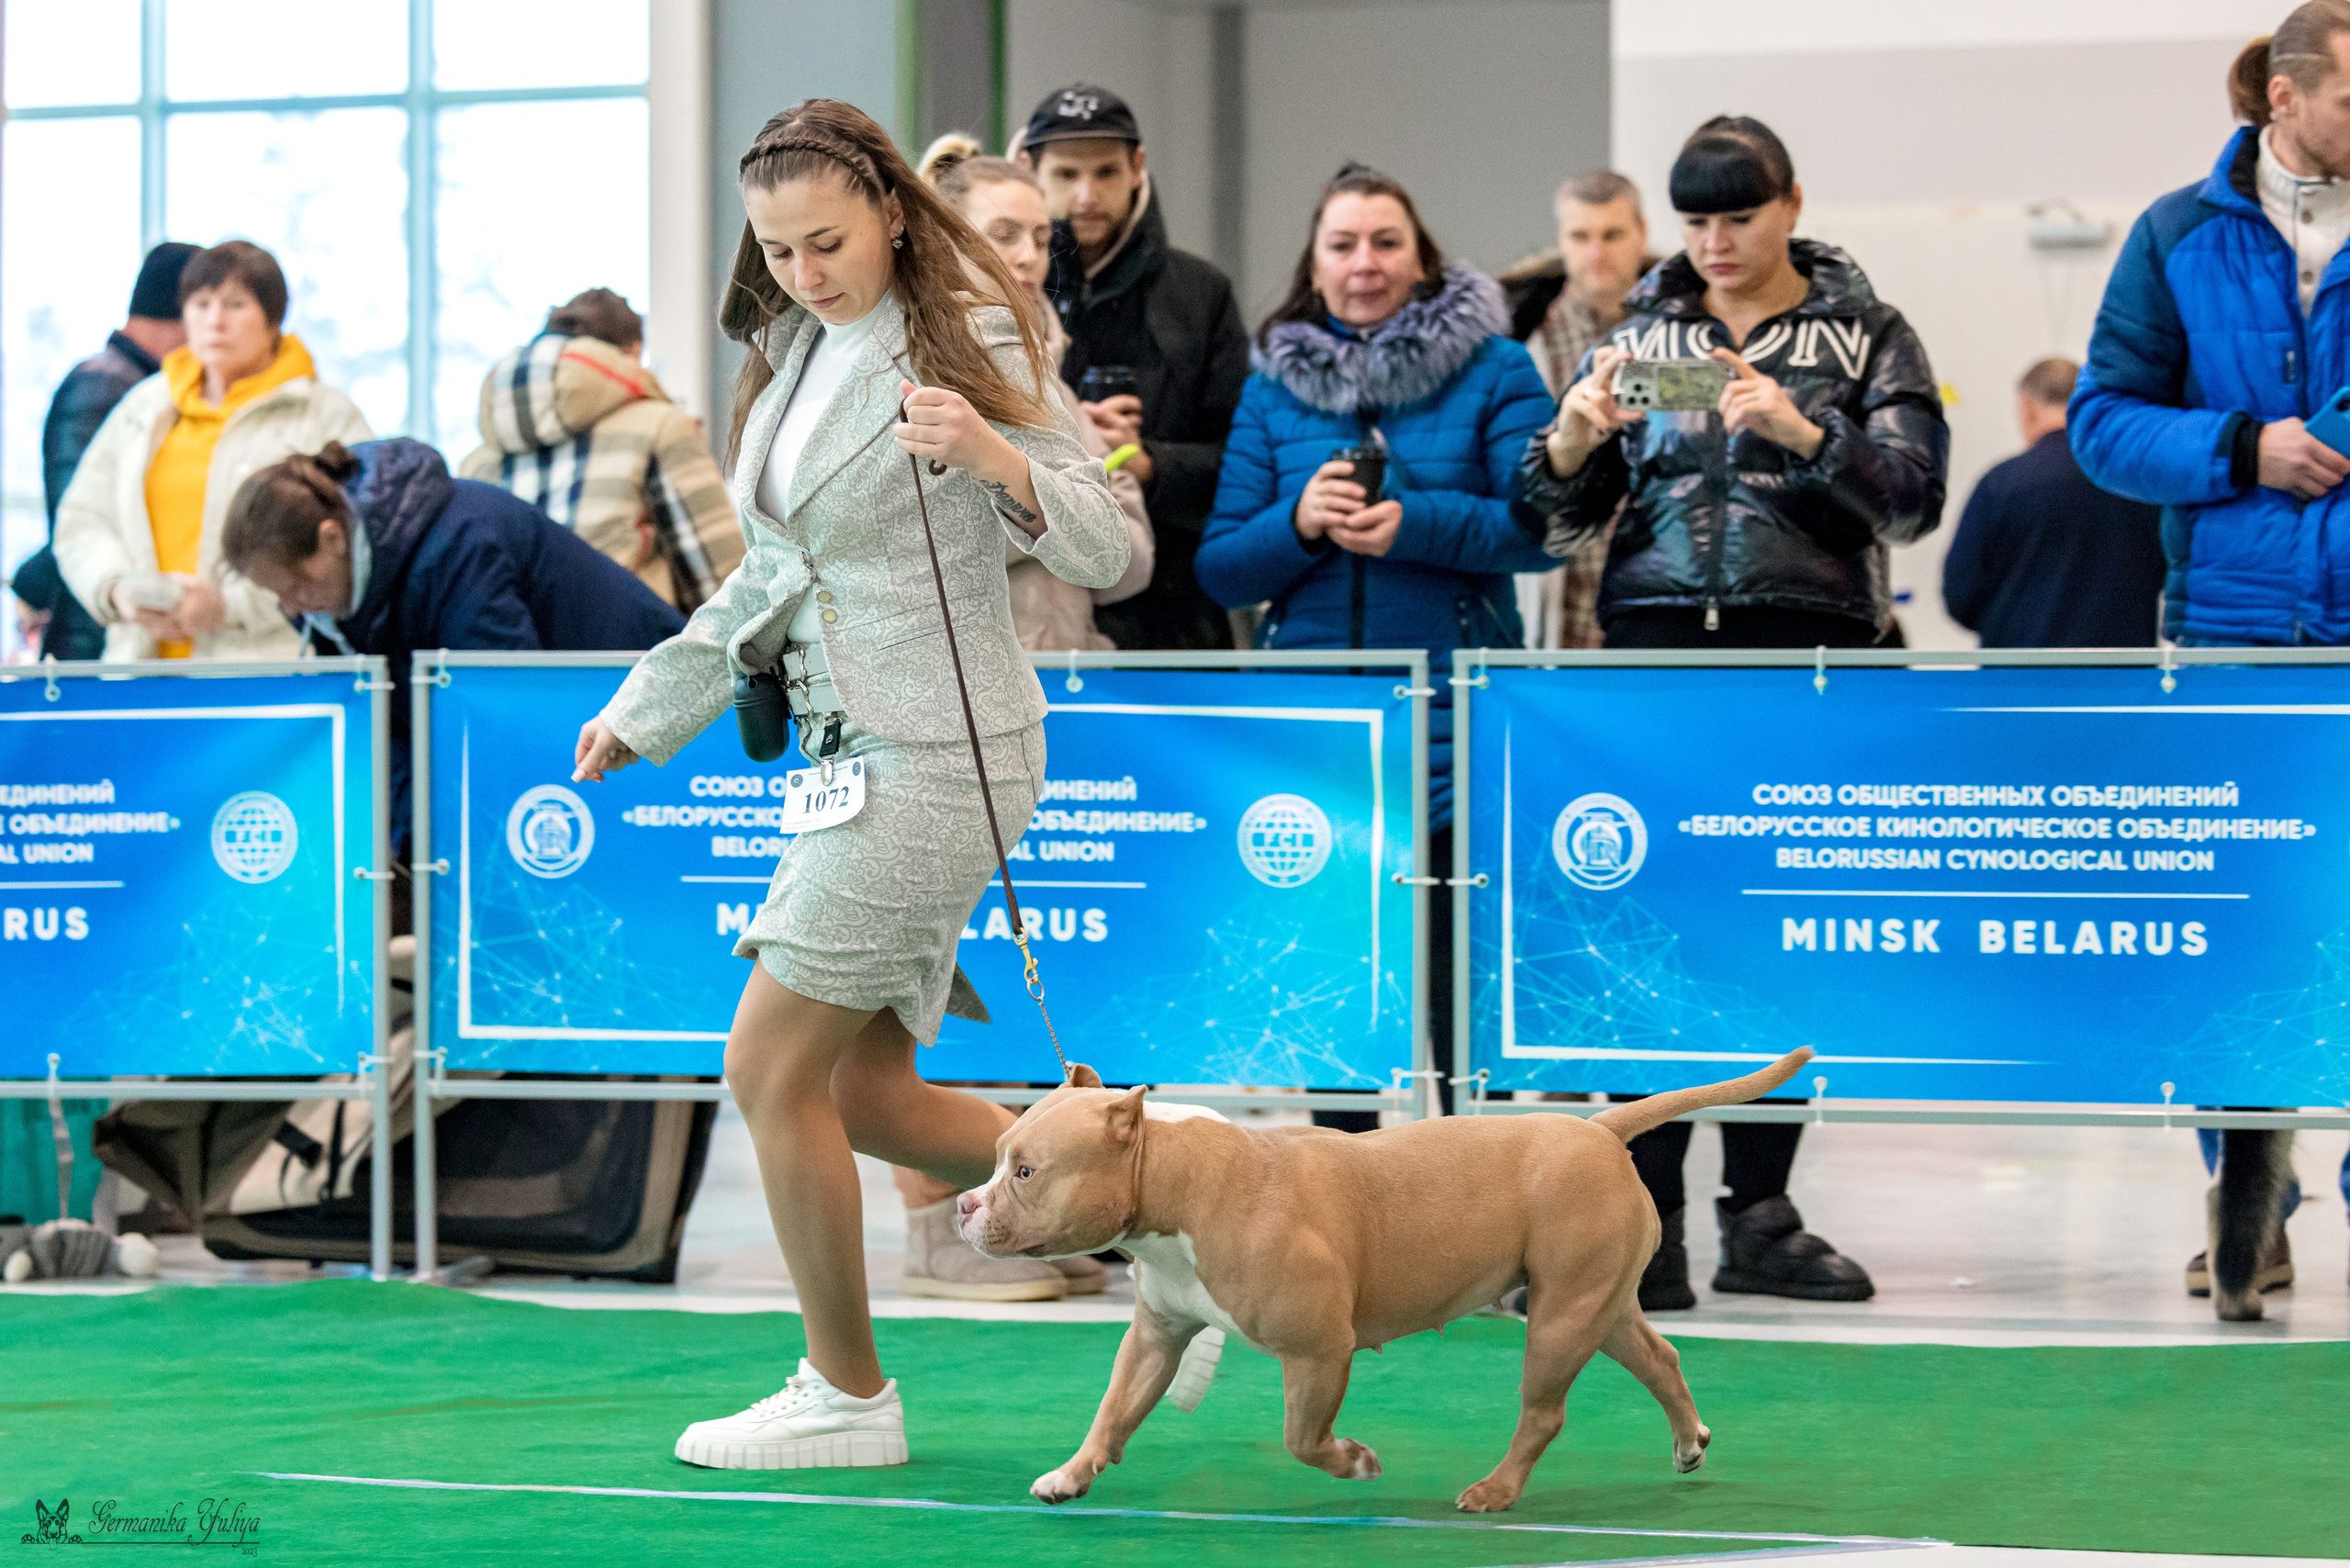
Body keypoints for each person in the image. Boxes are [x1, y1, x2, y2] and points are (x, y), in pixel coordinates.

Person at [569, 99, 1127, 1468]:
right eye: (779, 250)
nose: (805, 271)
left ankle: (847, 1394)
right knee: (868, 1098)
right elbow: (770, 574)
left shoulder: (977, 335)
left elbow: (1107, 545)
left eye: (826, 242)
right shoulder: (793, 357)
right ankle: (1175, 1219)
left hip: (942, 752)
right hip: (847, 758)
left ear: (887, 208)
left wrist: (993, 456)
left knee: (765, 1070)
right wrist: (652, 706)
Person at [1516, 116, 1949, 1309]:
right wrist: (1571, 440)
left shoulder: (1868, 335)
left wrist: (1806, 433)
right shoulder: (1638, 336)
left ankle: (1760, 1211)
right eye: (1697, 221)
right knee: (1644, 938)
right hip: (1653, 665)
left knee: (1781, 937)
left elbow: (1915, 502)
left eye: (1739, 218)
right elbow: (1551, 523)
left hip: (1810, 660)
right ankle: (1643, 1223)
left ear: (1790, 206)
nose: (1715, 242)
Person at [2069, 3, 2350, 1314]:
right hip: (2230, 645)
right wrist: (2246, 449)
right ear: (2285, 97)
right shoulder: (2174, 233)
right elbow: (2102, 424)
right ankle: (2251, 1214)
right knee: (2239, 938)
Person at [1194, 161, 1556, 1132]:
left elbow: (1541, 530)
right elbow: (1221, 569)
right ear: (1313, 267)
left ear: (1422, 259)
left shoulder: (1498, 370)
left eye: (1386, 242)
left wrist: (1415, 523)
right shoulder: (1270, 393)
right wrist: (1298, 524)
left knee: (1462, 987)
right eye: (1343, 245)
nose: (1365, 263)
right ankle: (1343, 1203)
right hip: (1317, 739)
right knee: (1333, 986)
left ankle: (1484, 1190)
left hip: (1455, 729)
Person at [219, 439, 684, 879]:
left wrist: (446, 859)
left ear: (332, 538)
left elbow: (500, 716)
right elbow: (392, 732)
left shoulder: (460, 545)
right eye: (278, 595)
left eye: (294, 586)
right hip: (573, 742)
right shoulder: (329, 602)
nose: (292, 607)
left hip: (653, 720)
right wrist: (411, 847)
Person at [53, 240, 373, 661]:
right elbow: (82, 520)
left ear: (273, 320)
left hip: (269, 672)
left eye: (235, 304)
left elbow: (353, 542)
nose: (215, 321)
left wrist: (230, 607)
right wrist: (115, 588)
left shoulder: (324, 415)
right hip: (141, 668)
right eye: (201, 304)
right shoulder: (142, 408)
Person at [1017, 83, 1249, 650]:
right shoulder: (994, 295)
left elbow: (1246, 458)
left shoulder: (1201, 293)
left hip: (1177, 615)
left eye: (1106, 172)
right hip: (1034, 616)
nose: (1086, 196)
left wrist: (1149, 463)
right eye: (1066, 174)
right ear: (1028, 170)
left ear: (1138, 167)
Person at [922, 134, 1155, 653]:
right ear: (943, 243)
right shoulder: (912, 373)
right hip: (963, 678)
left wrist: (1051, 514)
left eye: (1043, 238)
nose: (1029, 257)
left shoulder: (1056, 387)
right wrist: (1067, 513)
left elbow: (1129, 564)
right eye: (1004, 235)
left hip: (1072, 676)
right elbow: (922, 553)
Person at [459, 288, 743, 616]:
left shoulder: (476, 462)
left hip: (508, 643)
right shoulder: (661, 428)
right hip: (628, 642)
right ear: (632, 352)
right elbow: (720, 586)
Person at [9, 242, 199, 662]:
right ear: (186, 313)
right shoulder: (107, 387)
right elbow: (79, 516)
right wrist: (34, 582)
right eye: (206, 305)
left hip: (115, 626)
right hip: (95, 636)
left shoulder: (135, 385)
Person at [1498, 172, 1662, 650]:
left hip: (1656, 584)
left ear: (1642, 233)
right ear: (1560, 241)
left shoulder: (1682, 333)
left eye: (1612, 235)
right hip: (1559, 588)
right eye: (1580, 236)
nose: (1596, 253)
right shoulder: (1518, 340)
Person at [1942, 358, 2165, 647]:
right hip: (2123, 670)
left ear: (2027, 407)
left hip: (2018, 668)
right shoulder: (2134, 482)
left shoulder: (2000, 484)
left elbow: (1960, 594)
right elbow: (2169, 571)